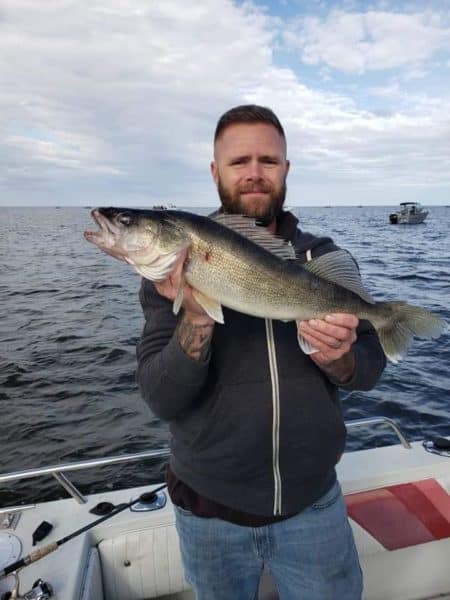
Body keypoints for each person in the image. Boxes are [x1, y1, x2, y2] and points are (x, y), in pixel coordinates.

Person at [136, 105, 386, 599]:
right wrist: (196, 316)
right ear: (215, 172)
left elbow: (368, 371)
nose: (254, 173)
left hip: (313, 505)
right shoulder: (169, 275)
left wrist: (339, 359)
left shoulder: (324, 258)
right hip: (208, 512)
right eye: (239, 162)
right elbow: (161, 398)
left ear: (286, 169)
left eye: (268, 161)